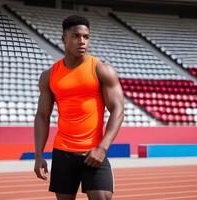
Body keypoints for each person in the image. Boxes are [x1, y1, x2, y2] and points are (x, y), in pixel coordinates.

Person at [34, 15, 124, 200]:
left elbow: (118, 109)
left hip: (93, 151)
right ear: (64, 39)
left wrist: (102, 148)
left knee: (103, 197)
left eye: (86, 37)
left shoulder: (101, 70)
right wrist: (38, 155)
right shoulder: (49, 76)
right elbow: (42, 116)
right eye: (75, 36)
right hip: (62, 153)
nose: (82, 41)